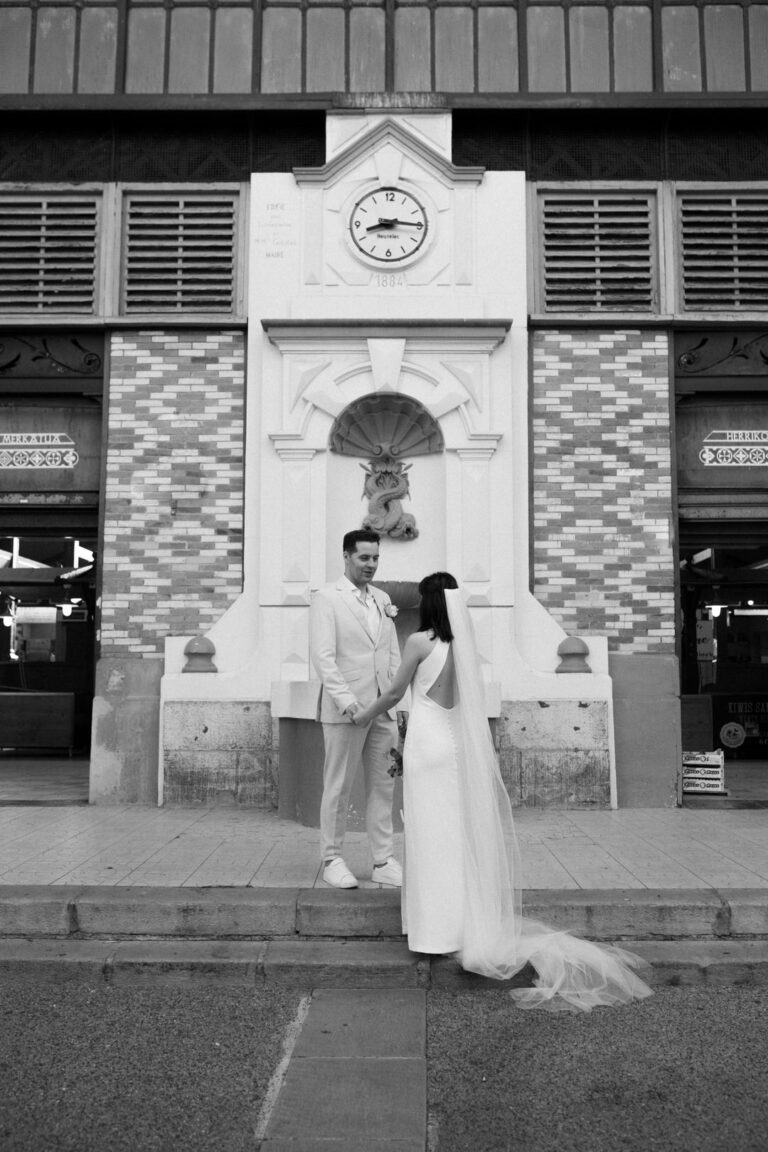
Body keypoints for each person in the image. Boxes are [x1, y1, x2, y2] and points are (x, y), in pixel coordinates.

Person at [352, 572, 653, 1011]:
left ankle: (433, 931)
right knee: (456, 835)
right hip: (456, 745)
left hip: (428, 743)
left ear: (429, 602)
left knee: (428, 835)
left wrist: (363, 715)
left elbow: (397, 691)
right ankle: (462, 926)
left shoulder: (419, 642)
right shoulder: (465, 646)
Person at [309, 528, 404, 890]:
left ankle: (383, 859)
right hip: (345, 711)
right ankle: (332, 858)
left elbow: (392, 656)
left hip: (383, 709)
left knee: (384, 787)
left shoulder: (382, 598)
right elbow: (324, 658)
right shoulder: (327, 599)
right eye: (364, 558)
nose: (371, 565)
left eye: (376, 558)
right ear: (347, 557)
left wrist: (397, 704)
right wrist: (350, 705)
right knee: (338, 787)